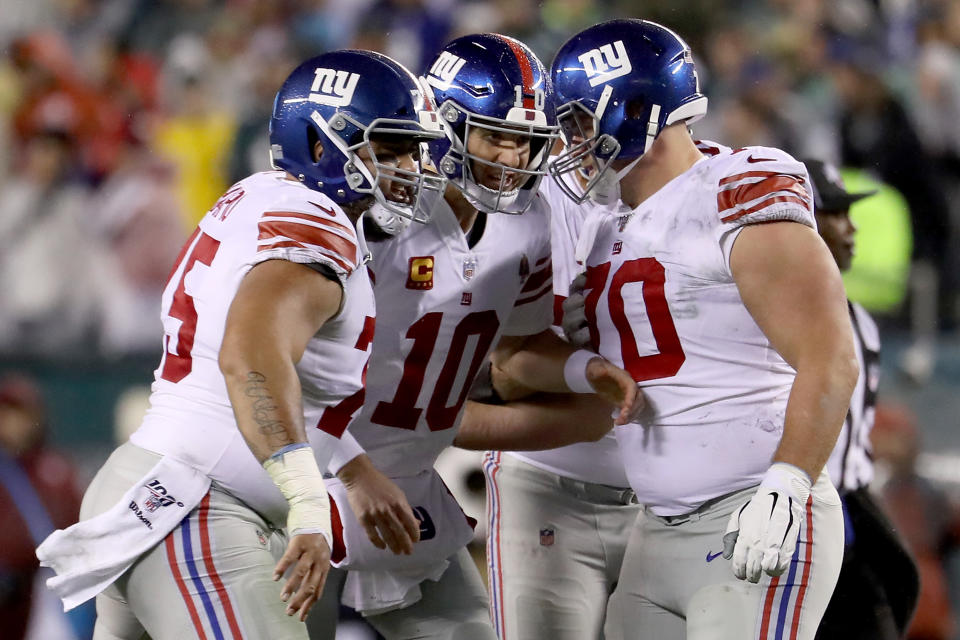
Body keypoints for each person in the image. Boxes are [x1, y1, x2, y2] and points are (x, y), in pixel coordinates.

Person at [36, 49, 445, 640]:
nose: (411, 166)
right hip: (196, 508)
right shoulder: (319, 228)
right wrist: (309, 501)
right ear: (323, 146)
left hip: (164, 493)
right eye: (390, 149)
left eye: (412, 149)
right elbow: (248, 360)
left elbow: (281, 379)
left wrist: (351, 469)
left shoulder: (262, 195)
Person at [307, 33, 640, 640]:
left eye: (526, 142)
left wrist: (582, 372)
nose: (513, 159)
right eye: (497, 137)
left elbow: (519, 348)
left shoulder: (529, 220)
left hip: (405, 481)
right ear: (446, 125)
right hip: (311, 472)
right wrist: (350, 470)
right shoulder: (376, 215)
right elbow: (283, 369)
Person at [552, 19, 858, 639]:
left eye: (581, 121)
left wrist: (787, 485)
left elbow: (831, 357)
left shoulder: (734, 189)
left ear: (633, 110)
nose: (571, 140)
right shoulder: (604, 220)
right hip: (655, 530)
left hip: (751, 513)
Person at [471, 113, 641, 638]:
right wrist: (577, 362)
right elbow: (501, 378)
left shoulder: (697, 203)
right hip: (546, 481)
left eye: (599, 121)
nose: (585, 143)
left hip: (665, 496)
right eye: (571, 122)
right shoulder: (526, 211)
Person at [802, 158, 920, 640]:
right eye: (834, 213)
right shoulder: (760, 317)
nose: (851, 229)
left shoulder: (861, 322)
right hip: (794, 512)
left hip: (850, 505)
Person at [0, 375, 90, 640]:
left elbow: (78, 525)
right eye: (6, 413)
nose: (14, 423)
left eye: (21, 413)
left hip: (50, 588)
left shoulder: (58, 469)